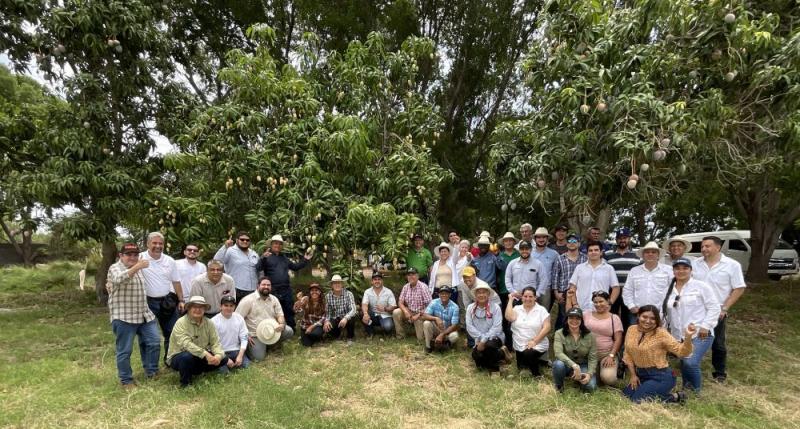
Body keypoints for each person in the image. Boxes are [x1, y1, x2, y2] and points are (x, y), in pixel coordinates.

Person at [691, 236, 746, 383]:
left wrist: (725, 307)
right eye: (702, 246)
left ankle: (719, 371)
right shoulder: (695, 264)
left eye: (707, 246)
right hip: (695, 309)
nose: (703, 249)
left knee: (718, 342)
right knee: (691, 337)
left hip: (717, 310)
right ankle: (689, 364)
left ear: (718, 247)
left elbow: (739, 288)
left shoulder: (732, 265)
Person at [107, 243, 160, 388]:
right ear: (121, 255)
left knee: (154, 342)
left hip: (144, 314)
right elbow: (118, 279)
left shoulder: (140, 267)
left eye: (135, 255)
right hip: (124, 316)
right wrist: (136, 266)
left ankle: (152, 371)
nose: (132, 257)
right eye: (128, 254)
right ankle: (126, 380)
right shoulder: (115, 268)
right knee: (125, 350)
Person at [663, 257, 720, 392]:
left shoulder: (701, 287)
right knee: (684, 362)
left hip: (700, 333)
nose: (681, 271)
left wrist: (706, 326)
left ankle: (695, 392)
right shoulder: (669, 289)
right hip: (679, 335)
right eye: (677, 268)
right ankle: (686, 388)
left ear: (691, 270)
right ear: (673, 271)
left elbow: (714, 307)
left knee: (690, 362)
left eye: (685, 268)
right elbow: (665, 311)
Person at [622, 305, 695, 403]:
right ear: (638, 316)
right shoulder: (631, 329)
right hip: (641, 375)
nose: (648, 321)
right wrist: (633, 375)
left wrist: (688, 337)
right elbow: (628, 354)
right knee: (626, 396)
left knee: (637, 400)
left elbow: (682, 352)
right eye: (644, 317)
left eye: (653, 318)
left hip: (660, 376)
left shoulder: (661, 334)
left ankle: (675, 397)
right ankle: (655, 393)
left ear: (657, 320)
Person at [139, 232, 184, 362]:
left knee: (172, 332)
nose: (158, 246)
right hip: (147, 302)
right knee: (148, 336)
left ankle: (170, 359)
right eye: (154, 243)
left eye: (160, 243)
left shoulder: (169, 261)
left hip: (167, 301)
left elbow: (176, 282)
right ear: (147, 244)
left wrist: (181, 300)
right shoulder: (140, 258)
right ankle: (149, 365)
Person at [166, 296, 228, 387]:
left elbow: (215, 342)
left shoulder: (209, 323)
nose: (198, 310)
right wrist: (206, 354)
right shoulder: (181, 322)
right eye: (194, 307)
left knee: (224, 358)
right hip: (179, 355)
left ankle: (197, 371)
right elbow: (186, 344)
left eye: (201, 307)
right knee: (186, 357)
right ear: (189, 308)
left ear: (204, 309)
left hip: (199, 355)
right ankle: (185, 384)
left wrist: (218, 355)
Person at [256, 234, 313, 329]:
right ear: (271, 245)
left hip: (286, 289)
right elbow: (258, 268)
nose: (277, 245)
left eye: (279, 244)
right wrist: (262, 258)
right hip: (273, 289)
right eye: (275, 243)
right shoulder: (266, 257)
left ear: (281, 246)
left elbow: (295, 267)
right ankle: (274, 329)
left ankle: (291, 329)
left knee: (289, 310)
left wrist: (305, 260)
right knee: (274, 310)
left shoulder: (284, 258)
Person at [236, 277, 294, 361]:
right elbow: (237, 319)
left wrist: (281, 324)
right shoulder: (248, 300)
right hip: (254, 334)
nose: (266, 287)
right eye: (263, 284)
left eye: (268, 285)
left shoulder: (274, 299)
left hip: (271, 331)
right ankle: (250, 348)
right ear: (258, 286)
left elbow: (280, 315)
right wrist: (245, 334)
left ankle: (271, 345)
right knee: (259, 358)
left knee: (289, 331)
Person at [576, 291, 622, 386]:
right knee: (587, 382)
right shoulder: (586, 314)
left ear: (608, 301)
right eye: (595, 302)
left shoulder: (614, 318)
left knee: (608, 378)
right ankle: (596, 374)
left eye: (601, 301)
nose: (598, 304)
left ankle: (612, 372)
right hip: (588, 355)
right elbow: (570, 316)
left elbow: (618, 339)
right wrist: (570, 298)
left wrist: (611, 356)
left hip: (606, 354)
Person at [624, 241, 673, 326]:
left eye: (653, 252)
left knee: (659, 338)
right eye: (647, 252)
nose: (650, 254)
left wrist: (666, 310)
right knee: (636, 338)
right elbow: (627, 290)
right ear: (643, 255)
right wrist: (631, 306)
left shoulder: (668, 270)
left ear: (658, 255)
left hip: (660, 314)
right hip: (638, 313)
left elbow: (673, 291)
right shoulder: (634, 271)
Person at [504, 287, 550, 377]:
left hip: (537, 343)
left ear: (535, 298)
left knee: (529, 354)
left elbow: (547, 327)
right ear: (522, 297)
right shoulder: (517, 308)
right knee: (522, 368)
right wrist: (510, 300)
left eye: (530, 296)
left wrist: (534, 341)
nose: (527, 299)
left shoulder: (541, 310)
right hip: (519, 345)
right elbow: (509, 317)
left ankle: (537, 375)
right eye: (525, 296)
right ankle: (540, 361)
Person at [466, 283, 509, 373]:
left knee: (489, 346)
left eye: (484, 292)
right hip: (478, 339)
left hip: (495, 338)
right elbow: (469, 326)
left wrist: (483, 341)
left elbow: (497, 327)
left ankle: (494, 369)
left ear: (488, 294)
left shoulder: (495, 307)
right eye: (479, 293)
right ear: (475, 295)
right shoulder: (470, 308)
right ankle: (501, 354)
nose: (481, 295)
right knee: (477, 359)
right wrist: (481, 339)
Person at [553, 307, 597, 392]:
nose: (574, 321)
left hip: (583, 365)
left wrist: (589, 374)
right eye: (571, 318)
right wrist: (574, 366)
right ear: (566, 319)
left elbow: (593, 358)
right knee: (558, 364)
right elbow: (558, 353)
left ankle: (579, 381)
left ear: (582, 321)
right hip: (566, 364)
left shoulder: (590, 335)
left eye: (577, 318)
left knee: (591, 387)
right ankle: (559, 386)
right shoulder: (559, 333)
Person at [604, 228, 641, 329]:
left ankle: (626, 341)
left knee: (628, 318)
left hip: (630, 292)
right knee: (612, 316)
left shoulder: (638, 254)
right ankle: (613, 339)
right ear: (616, 240)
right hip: (612, 291)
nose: (622, 240)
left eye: (625, 238)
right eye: (620, 238)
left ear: (629, 239)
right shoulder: (608, 254)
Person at [568, 241, 619, 312]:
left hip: (601, 309)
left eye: (596, 250)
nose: (593, 252)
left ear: (601, 252)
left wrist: (609, 303)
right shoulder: (579, 268)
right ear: (587, 253)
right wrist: (575, 304)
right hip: (581, 308)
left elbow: (616, 288)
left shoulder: (609, 268)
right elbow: (572, 287)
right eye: (590, 250)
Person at [551, 233, 587, 330]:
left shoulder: (585, 258)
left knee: (579, 315)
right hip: (563, 292)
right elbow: (555, 276)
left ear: (579, 244)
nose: (572, 243)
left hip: (580, 292)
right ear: (566, 244)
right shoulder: (560, 258)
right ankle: (561, 336)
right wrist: (556, 293)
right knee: (564, 316)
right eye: (569, 241)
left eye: (574, 241)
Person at [214, 231, 260, 302]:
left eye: (247, 240)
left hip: (253, 290)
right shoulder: (230, 250)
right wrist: (225, 247)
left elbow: (259, 269)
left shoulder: (253, 253)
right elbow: (216, 261)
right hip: (236, 289)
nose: (245, 241)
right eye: (242, 239)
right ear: (237, 240)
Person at [211, 295, 249, 373]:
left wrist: (240, 356)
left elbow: (244, 337)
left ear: (234, 307)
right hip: (220, 352)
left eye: (231, 306)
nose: (229, 308)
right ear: (221, 306)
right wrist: (225, 359)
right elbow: (212, 344)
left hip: (236, 350)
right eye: (226, 305)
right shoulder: (214, 321)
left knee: (247, 367)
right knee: (224, 373)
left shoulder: (239, 318)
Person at [392, 268, 432, 341]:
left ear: (417, 276)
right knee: (396, 312)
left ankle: (425, 334)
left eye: (413, 274)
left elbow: (430, 306)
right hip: (410, 311)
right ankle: (400, 336)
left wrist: (418, 315)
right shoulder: (406, 287)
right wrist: (405, 311)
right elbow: (400, 302)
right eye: (409, 275)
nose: (411, 277)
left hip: (421, 314)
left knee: (420, 338)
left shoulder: (423, 287)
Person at [497, 232, 519, 347]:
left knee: (516, 317)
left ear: (514, 242)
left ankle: (517, 342)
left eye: (510, 240)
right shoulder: (499, 256)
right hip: (503, 290)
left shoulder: (519, 255)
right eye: (506, 241)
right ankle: (507, 343)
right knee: (504, 317)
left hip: (516, 291)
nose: (508, 242)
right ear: (503, 243)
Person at [421, 286, 460, 353]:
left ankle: (446, 344)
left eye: (446, 293)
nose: (444, 295)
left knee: (455, 336)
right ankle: (429, 347)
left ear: (450, 294)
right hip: (436, 329)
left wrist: (442, 334)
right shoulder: (433, 302)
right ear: (439, 294)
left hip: (447, 331)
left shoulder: (455, 307)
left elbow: (454, 325)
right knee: (426, 323)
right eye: (442, 293)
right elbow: (424, 316)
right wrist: (436, 318)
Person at [531, 227, 559, 311]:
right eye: (539, 237)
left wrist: (555, 288)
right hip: (531, 287)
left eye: (544, 237)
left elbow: (556, 273)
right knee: (531, 311)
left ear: (547, 239)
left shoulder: (554, 254)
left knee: (544, 312)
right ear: (535, 239)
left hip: (546, 289)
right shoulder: (530, 253)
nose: (541, 239)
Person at [361, 272, 397, 337]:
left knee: (388, 327)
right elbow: (364, 304)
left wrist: (385, 308)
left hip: (385, 315)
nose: (377, 281)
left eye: (379, 279)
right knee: (362, 313)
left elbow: (393, 306)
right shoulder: (367, 291)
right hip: (373, 315)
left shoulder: (388, 292)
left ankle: (385, 331)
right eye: (375, 279)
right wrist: (365, 314)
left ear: (382, 281)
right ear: (372, 281)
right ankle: (370, 332)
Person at [324, 275, 357, 345]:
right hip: (336, 318)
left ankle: (350, 337)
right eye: (335, 283)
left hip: (347, 317)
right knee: (329, 326)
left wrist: (345, 318)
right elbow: (328, 312)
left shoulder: (349, 294)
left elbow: (353, 309)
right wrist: (326, 321)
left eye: (339, 283)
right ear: (332, 285)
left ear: (342, 284)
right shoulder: (328, 296)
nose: (337, 285)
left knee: (352, 317)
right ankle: (337, 335)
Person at [294, 282, 327, 347]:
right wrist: (299, 302)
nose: (314, 292)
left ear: (320, 292)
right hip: (305, 325)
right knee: (307, 345)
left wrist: (312, 327)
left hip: (316, 326)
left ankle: (317, 336)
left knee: (316, 334)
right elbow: (298, 311)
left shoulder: (323, 302)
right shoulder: (305, 299)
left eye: (316, 290)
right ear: (310, 292)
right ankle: (307, 337)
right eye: (312, 290)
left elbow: (323, 318)